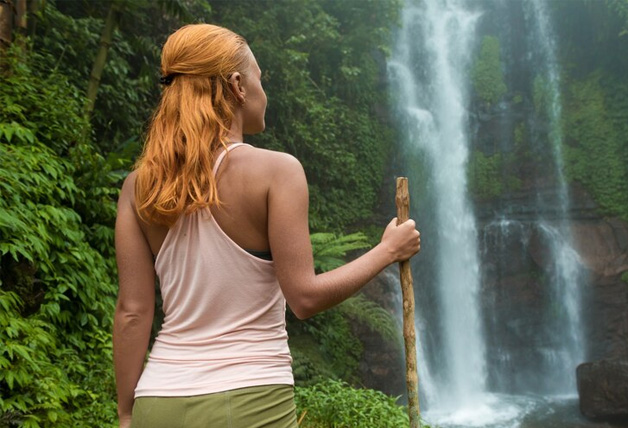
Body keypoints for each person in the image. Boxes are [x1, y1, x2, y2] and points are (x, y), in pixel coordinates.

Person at [113, 23, 420, 428]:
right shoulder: (276, 171)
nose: (264, 90)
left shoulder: (139, 185)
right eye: (261, 77)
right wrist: (387, 251)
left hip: (158, 399)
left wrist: (126, 412)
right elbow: (304, 298)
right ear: (238, 85)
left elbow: (133, 313)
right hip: (250, 398)